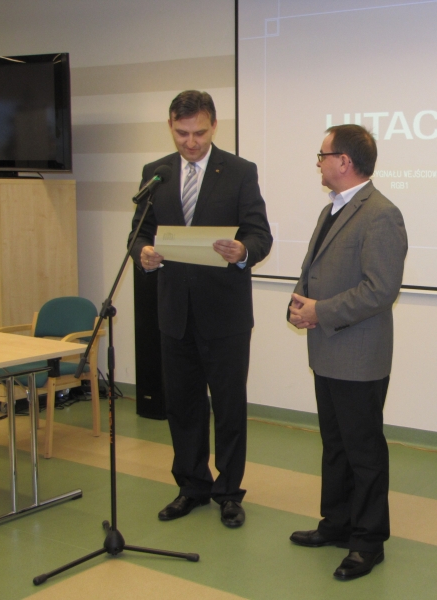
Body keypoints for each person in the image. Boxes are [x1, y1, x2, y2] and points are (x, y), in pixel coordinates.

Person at [128, 90, 272, 528]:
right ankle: (191, 486)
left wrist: (242, 250)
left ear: (214, 126)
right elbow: (138, 233)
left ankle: (228, 492)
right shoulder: (156, 174)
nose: (191, 142)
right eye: (182, 133)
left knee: (228, 407)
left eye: (200, 133)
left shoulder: (240, 171)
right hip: (174, 312)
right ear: (170, 126)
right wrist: (143, 253)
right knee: (183, 406)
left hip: (225, 314)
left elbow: (260, 234)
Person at [287, 124, 408, 580]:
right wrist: (298, 306)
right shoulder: (332, 209)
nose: (318, 163)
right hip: (327, 350)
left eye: (322, 155)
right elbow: (313, 270)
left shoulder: (381, 214)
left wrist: (320, 311)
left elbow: (380, 289)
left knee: (364, 451)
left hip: (358, 356)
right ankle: (336, 523)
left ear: (345, 161)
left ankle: (368, 541)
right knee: (335, 446)